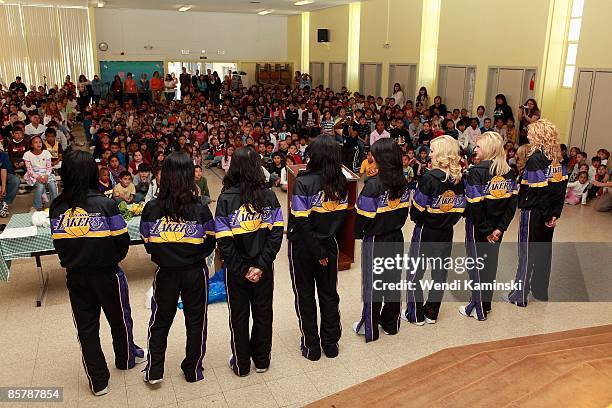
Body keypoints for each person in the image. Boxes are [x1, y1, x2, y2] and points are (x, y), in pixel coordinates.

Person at [50, 150, 145, 396]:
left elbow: (59, 244)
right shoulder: (106, 204)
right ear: (92, 173)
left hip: (76, 276)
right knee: (120, 319)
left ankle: (98, 381)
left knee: (86, 328)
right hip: (107, 274)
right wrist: (109, 258)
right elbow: (122, 243)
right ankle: (125, 360)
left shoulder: (57, 207)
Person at [140, 152, 216, 384]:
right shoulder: (200, 209)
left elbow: (148, 244)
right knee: (196, 321)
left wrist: (168, 254)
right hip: (195, 272)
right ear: (189, 177)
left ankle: (155, 371)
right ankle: (192, 370)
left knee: (161, 319)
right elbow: (210, 242)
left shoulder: (151, 209)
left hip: (166, 272)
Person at [214, 146, 283, 376]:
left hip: (237, 271)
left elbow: (224, 243)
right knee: (263, 314)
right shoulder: (269, 196)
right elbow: (276, 234)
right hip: (263, 269)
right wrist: (261, 265)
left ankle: (242, 364)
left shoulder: (225, 199)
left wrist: (242, 269)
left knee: (239, 315)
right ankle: (262, 361)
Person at [288, 135, 348, 360]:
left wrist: (318, 252)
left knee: (305, 295)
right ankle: (331, 344)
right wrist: (325, 250)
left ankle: (312, 346)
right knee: (329, 293)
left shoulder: (303, 182)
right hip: (328, 246)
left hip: (304, 249)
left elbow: (301, 222)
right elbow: (340, 218)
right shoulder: (341, 182)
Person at [353, 138, 410, 342]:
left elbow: (361, 219)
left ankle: (370, 327)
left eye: (374, 154)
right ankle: (391, 324)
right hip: (397, 237)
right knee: (393, 282)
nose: (371, 157)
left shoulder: (372, 185)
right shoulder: (404, 182)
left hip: (376, 240)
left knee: (373, 285)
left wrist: (357, 235)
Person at [404, 135, 465, 325]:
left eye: (432, 151)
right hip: (447, 231)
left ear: (440, 154)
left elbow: (416, 210)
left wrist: (426, 218)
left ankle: (415, 314)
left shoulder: (429, 178)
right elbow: (461, 208)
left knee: (415, 272)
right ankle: (431, 313)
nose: (429, 155)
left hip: (426, 232)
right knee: (439, 274)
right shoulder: (459, 179)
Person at [506, 119, 567, 307]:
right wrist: (554, 214)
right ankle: (540, 291)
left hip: (533, 212)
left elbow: (539, 192)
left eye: (531, 133)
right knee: (543, 252)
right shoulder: (558, 159)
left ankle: (519, 294)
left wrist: (548, 214)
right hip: (549, 215)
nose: (528, 135)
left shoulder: (535, 159)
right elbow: (560, 190)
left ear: (539, 135)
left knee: (527, 252)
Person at [460, 132, 518, 321]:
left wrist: (485, 231)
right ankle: (486, 303)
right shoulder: (509, 172)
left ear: (487, 148)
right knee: (490, 265)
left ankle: (477, 308)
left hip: (479, 228)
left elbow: (475, 205)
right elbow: (511, 205)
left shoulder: (477, 171)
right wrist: (499, 229)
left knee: (477, 265)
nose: (475, 149)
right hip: (497, 229)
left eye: (478, 146)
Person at [23, 135, 58, 211]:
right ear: (32, 145)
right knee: (40, 186)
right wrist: (38, 178)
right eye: (36, 142)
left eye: (40, 142)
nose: (38, 144)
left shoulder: (46, 153)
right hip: (34, 174)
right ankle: (37, 206)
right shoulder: (27, 154)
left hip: (46, 173)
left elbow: (49, 167)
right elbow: (29, 170)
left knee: (52, 185)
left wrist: (46, 176)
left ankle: (55, 206)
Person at [0, 151, 20, 218]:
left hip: (2, 175)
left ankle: (5, 203)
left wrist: (3, 188)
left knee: (15, 180)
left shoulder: (3, 155)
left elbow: (3, 170)